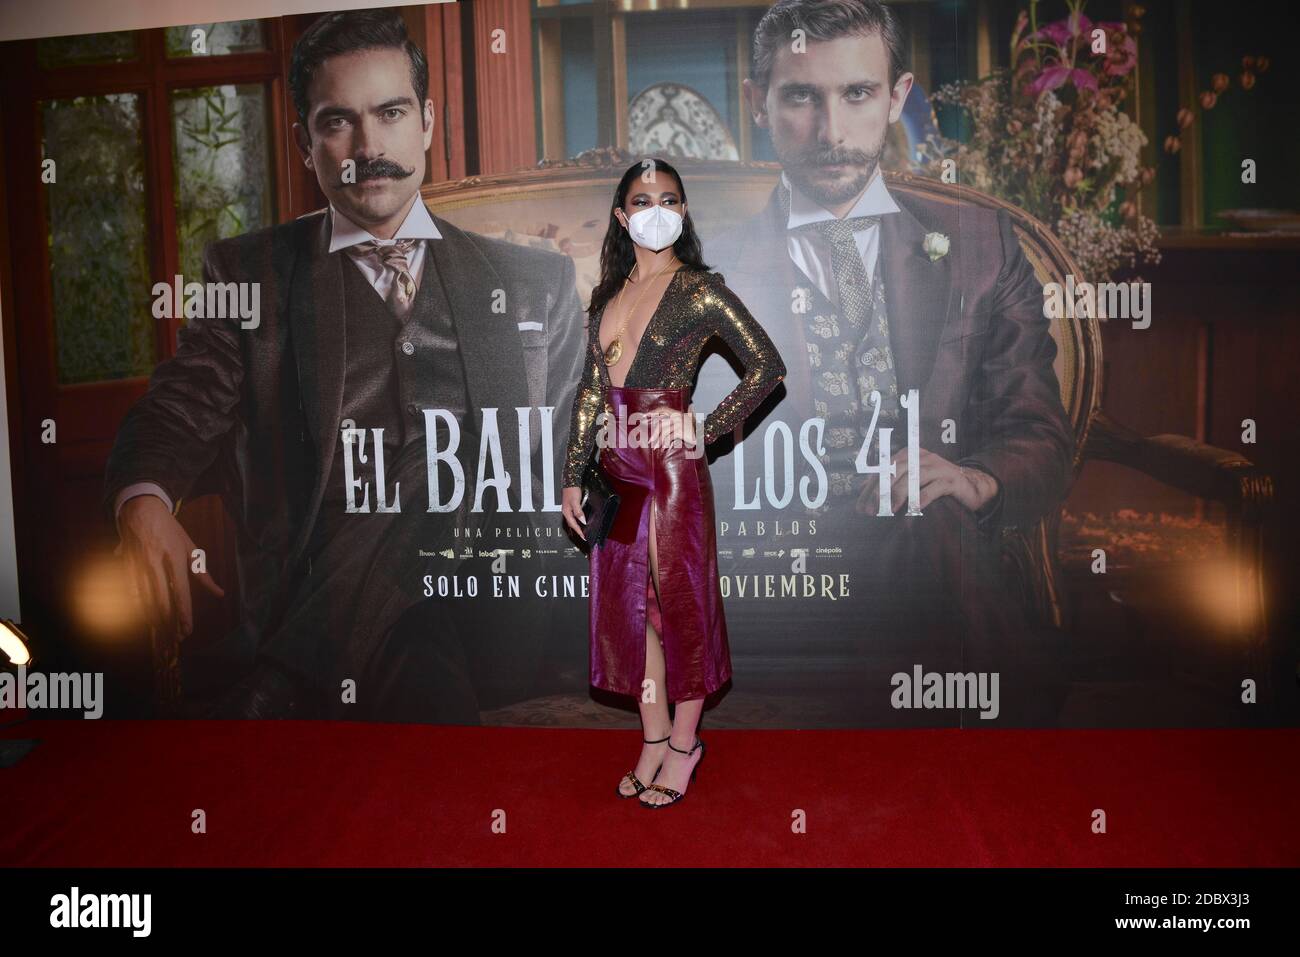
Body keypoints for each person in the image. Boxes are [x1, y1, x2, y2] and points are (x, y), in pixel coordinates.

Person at [104, 9, 586, 721]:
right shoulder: (252, 276)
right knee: (419, 621)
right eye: (338, 122)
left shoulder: (533, 281)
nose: (369, 146)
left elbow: (577, 456)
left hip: (501, 602)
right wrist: (142, 498)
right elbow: (180, 407)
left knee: (447, 469)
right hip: (331, 601)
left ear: (426, 121)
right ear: (305, 144)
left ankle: (280, 682)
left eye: (390, 113)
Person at [697, 0, 1077, 726]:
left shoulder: (981, 246)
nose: (832, 133)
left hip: (933, 561)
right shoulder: (707, 274)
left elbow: (1039, 437)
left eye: (858, 94)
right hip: (781, 583)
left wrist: (972, 478)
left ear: (898, 96)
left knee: (926, 522)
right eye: (802, 96)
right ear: (758, 104)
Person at [560, 158, 787, 807]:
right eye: (643, 198)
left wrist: (704, 428)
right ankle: (654, 736)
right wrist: (575, 473)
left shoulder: (698, 289)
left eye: (670, 198)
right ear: (621, 215)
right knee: (635, 615)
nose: (657, 207)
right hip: (615, 470)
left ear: (682, 213)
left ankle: (687, 744)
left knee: (679, 609)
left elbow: (766, 367)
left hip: (668, 472)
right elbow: (590, 393)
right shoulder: (607, 298)